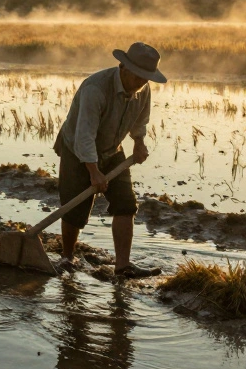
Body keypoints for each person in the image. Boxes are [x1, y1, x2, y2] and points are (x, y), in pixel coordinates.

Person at [52, 42, 166, 278]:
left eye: (146, 78)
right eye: (138, 77)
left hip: (112, 149)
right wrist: (93, 171)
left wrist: (139, 142)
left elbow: (139, 119)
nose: (141, 83)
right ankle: (67, 258)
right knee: (76, 206)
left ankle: (122, 266)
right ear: (123, 66)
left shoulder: (143, 90)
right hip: (76, 149)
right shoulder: (96, 89)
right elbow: (85, 136)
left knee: (126, 204)